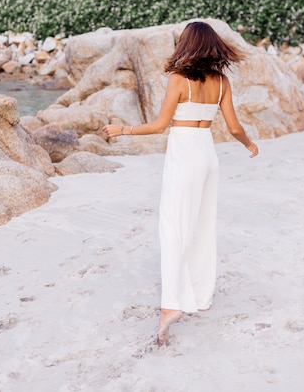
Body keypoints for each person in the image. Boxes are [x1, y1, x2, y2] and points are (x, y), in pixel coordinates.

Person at [103, 21, 258, 346]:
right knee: (202, 225)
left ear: (187, 45)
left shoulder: (178, 80)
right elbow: (232, 127)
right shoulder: (221, 82)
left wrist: (123, 130)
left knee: (174, 227)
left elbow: (160, 126)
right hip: (207, 156)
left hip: (184, 155)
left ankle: (171, 305)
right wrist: (248, 144)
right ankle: (201, 296)